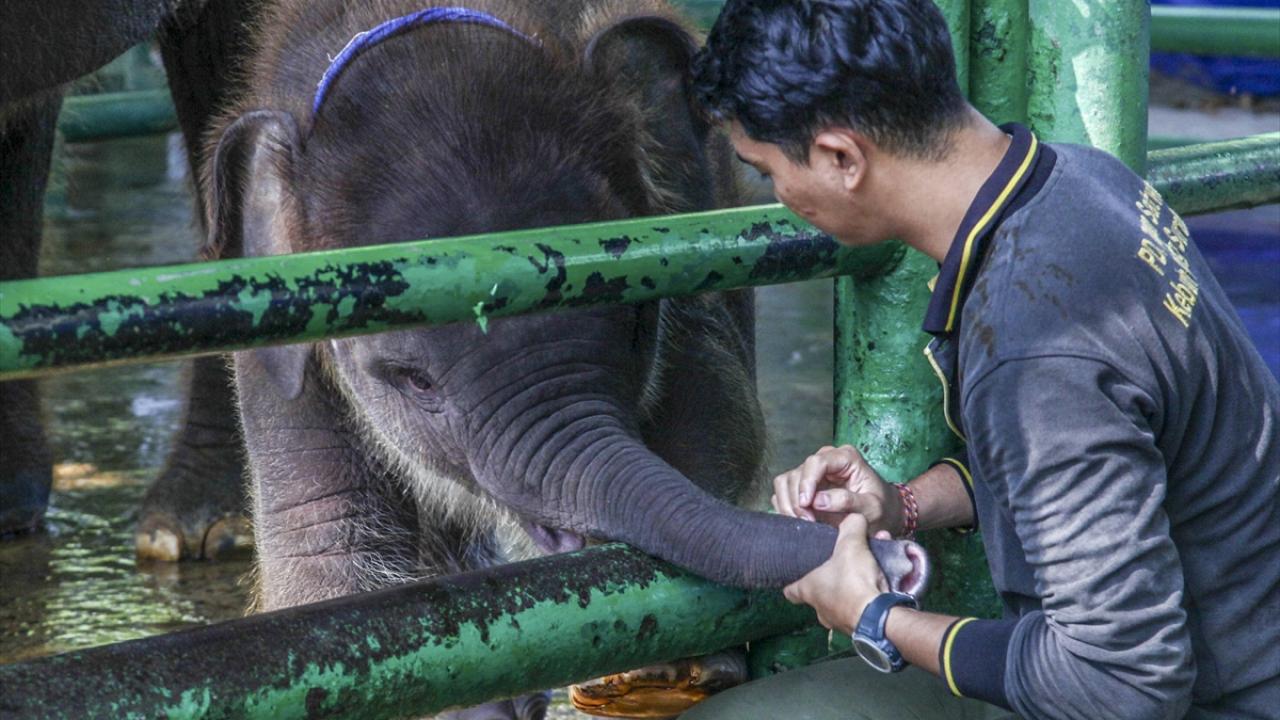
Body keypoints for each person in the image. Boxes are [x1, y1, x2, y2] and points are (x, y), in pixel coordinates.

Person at [683, 1, 1280, 719]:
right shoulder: (1082, 180)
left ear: (842, 158)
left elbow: (1122, 686)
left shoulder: (1033, 339)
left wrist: (876, 618)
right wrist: (902, 503)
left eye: (766, 171)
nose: (779, 198)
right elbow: (1114, 453)